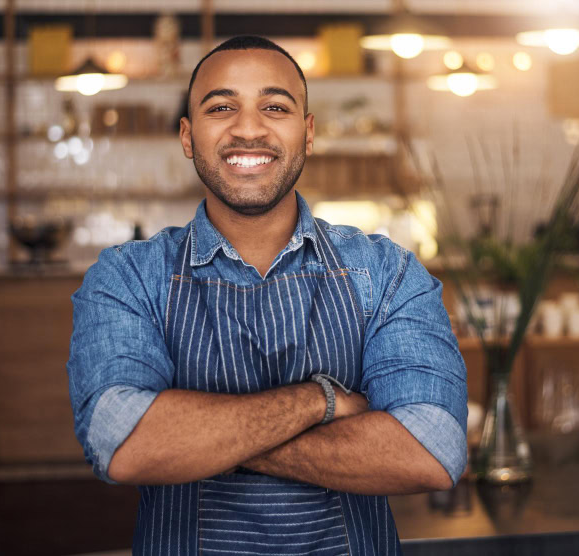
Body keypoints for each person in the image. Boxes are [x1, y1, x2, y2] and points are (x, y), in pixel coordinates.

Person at [67, 35, 468, 555]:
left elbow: (430, 450)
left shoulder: (386, 272)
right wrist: (319, 400)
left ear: (308, 133)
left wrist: (202, 438)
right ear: (187, 137)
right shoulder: (127, 278)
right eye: (222, 107)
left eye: (274, 107)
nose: (249, 128)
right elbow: (123, 443)